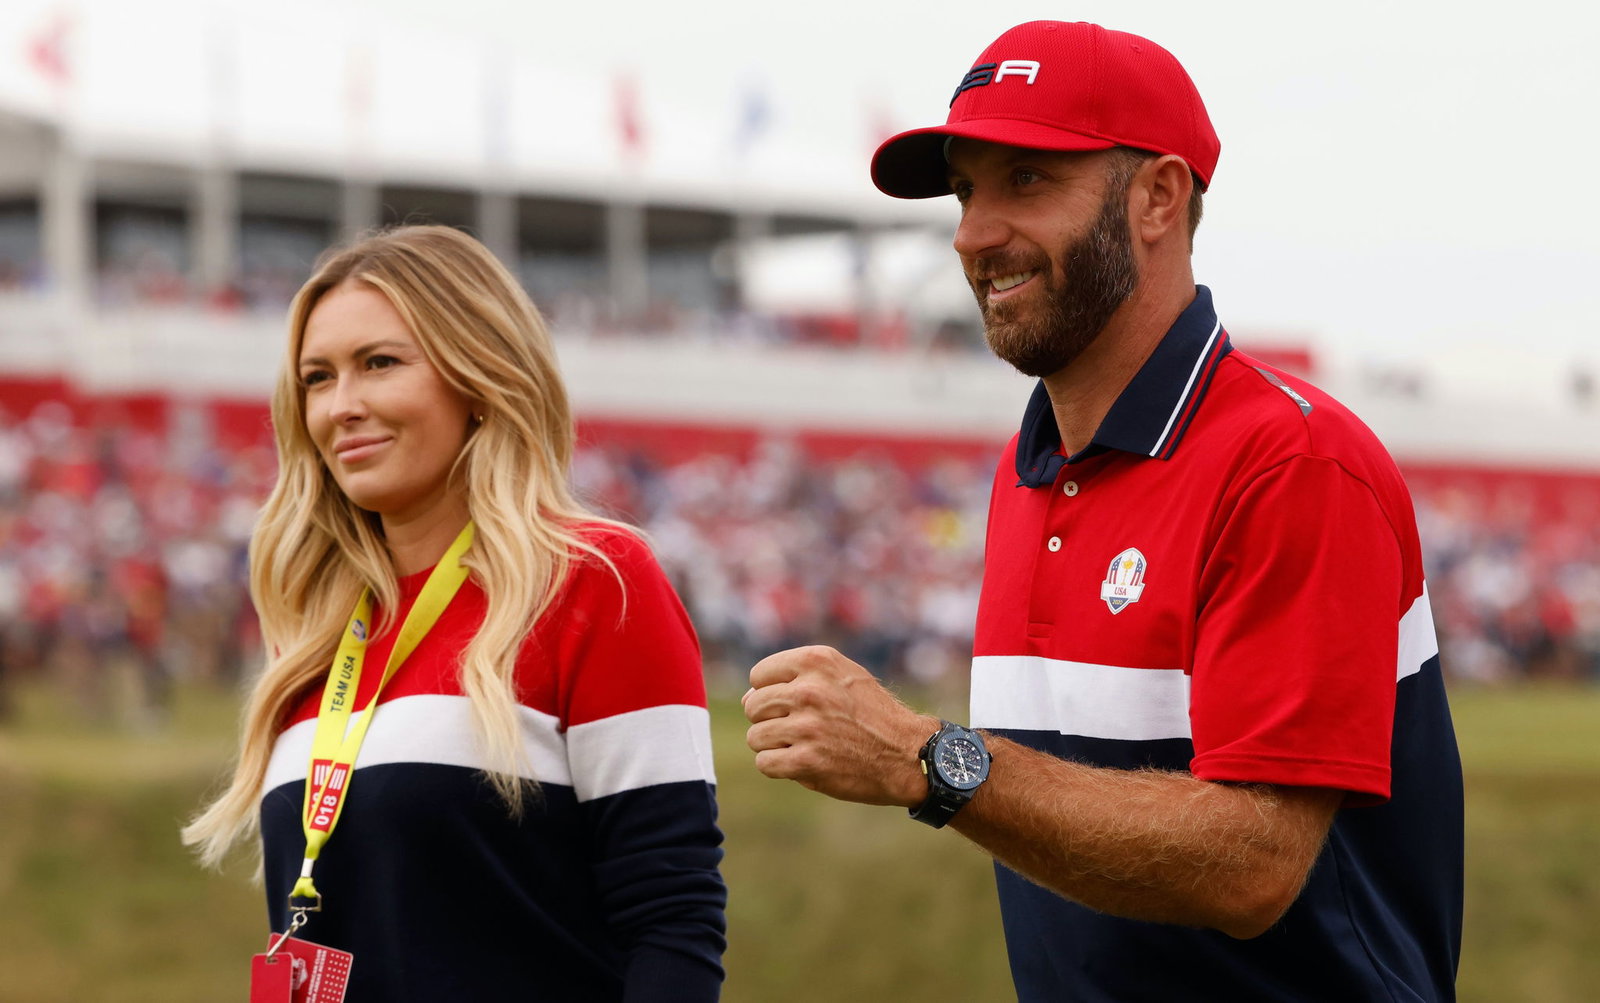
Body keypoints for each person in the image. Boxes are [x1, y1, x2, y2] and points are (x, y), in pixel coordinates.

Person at [742, 20, 1462, 1002]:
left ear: (1157, 197)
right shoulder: (1027, 468)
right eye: (965, 191)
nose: (972, 233)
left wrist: (931, 760)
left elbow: (1253, 863)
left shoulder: (1292, 463)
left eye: (1025, 180)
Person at [184, 225, 726, 1001]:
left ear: (476, 374)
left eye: (379, 363)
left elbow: (673, 924)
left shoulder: (595, 581)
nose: (342, 405)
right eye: (317, 377)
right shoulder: (318, 629)